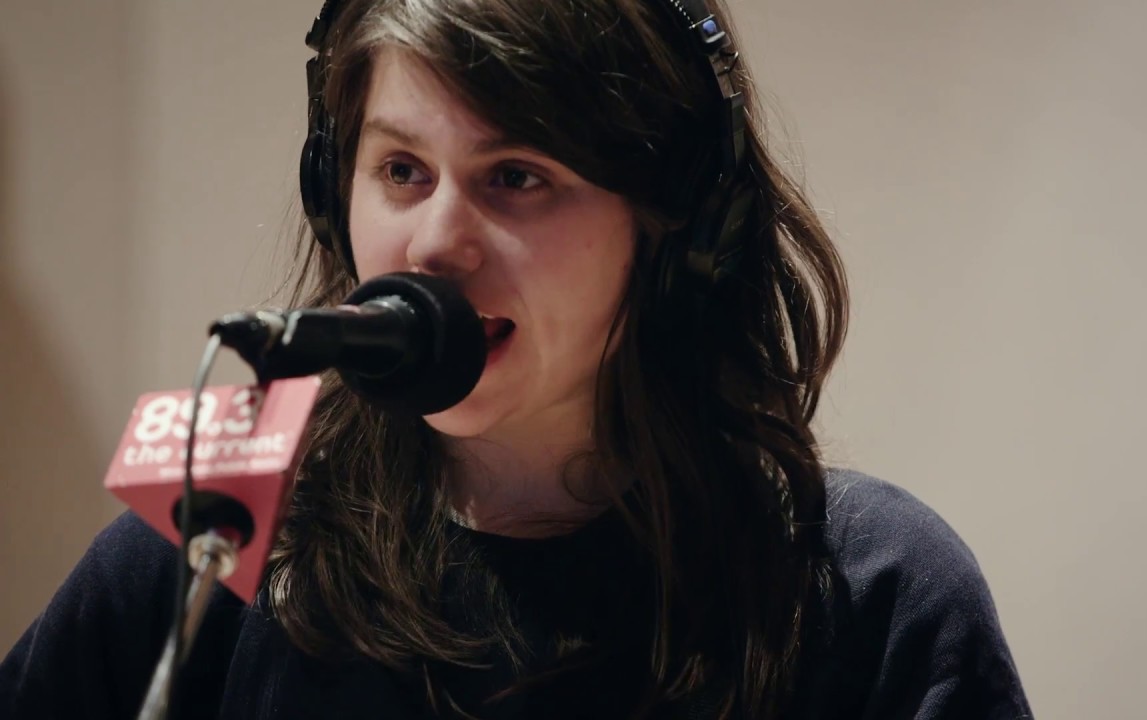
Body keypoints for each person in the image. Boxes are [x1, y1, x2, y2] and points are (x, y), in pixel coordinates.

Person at [0, 0, 1033, 718]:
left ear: (679, 234)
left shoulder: (869, 592)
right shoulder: (214, 538)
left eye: (517, 177)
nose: (435, 243)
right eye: (400, 168)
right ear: (333, 189)